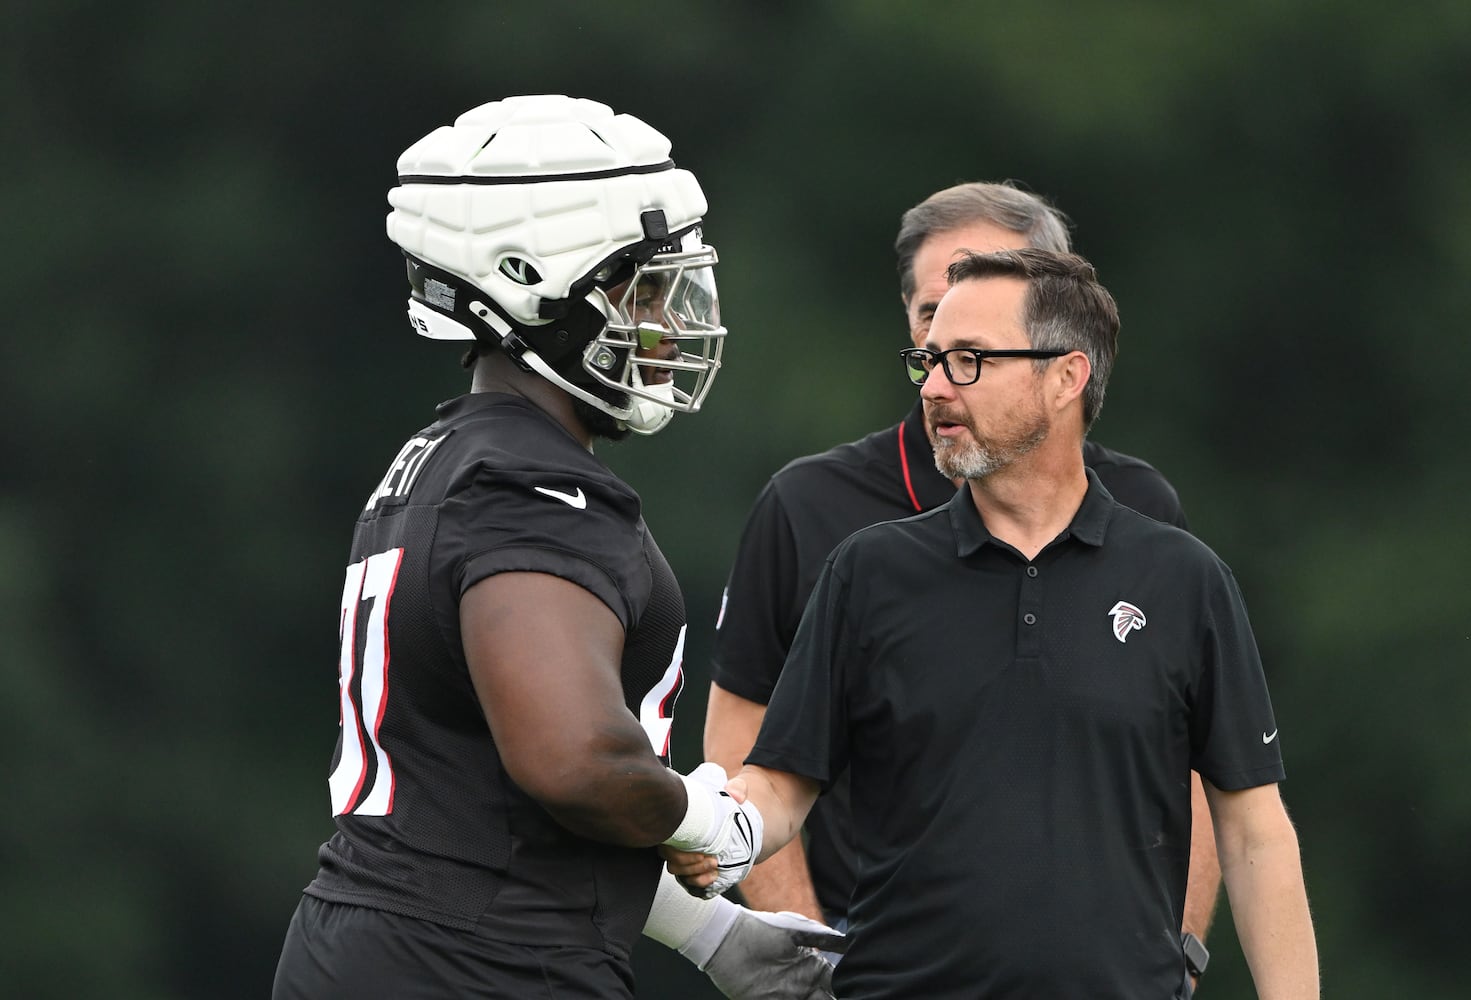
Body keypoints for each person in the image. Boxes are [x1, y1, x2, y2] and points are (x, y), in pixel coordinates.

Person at [271, 94, 839, 1000]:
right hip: (476, 967)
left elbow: (491, 807)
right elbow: (571, 762)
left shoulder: (448, 459)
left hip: (405, 946)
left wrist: (709, 933)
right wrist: (710, 822)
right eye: (641, 290)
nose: (668, 321)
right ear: (526, 279)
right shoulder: (533, 490)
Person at [670, 248, 1319, 998]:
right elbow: (782, 785)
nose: (936, 389)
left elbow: (1254, 835)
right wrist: (720, 829)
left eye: (970, 361)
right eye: (929, 361)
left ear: (1066, 377)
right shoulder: (868, 571)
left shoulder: (1183, 579)